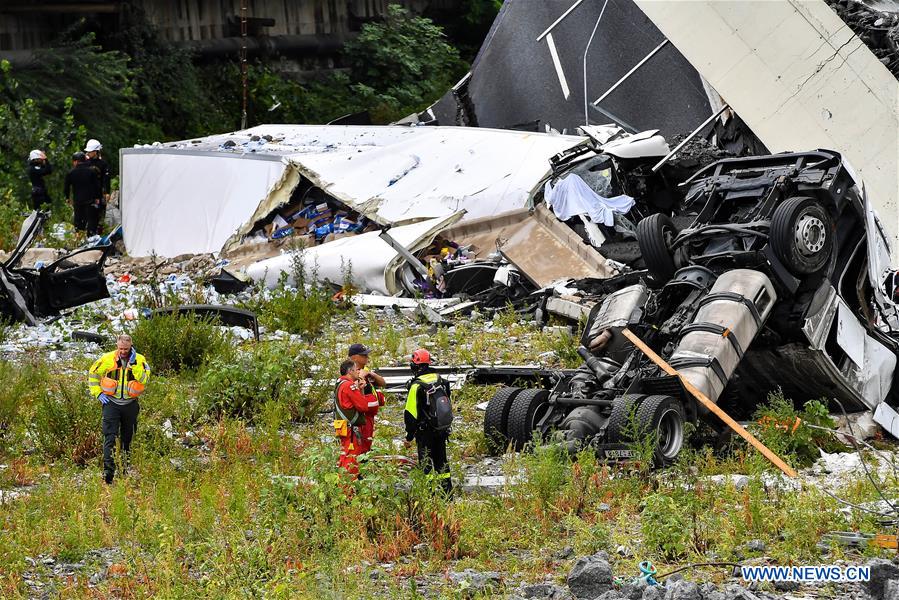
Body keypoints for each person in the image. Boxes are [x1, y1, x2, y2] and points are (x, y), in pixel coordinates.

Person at [88, 335, 151, 484]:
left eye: (126, 349)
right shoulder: (107, 359)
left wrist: (134, 364)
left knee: (127, 438)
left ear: (131, 346)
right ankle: (108, 473)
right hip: (111, 403)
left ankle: (124, 470)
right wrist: (98, 393)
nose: (123, 351)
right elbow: (93, 374)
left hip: (130, 405)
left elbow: (144, 380)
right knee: (109, 437)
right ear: (117, 345)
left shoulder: (140, 360)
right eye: (120, 348)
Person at [404, 348, 453, 494]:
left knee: (426, 464)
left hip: (424, 432)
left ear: (415, 365)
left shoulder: (416, 386)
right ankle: (447, 494)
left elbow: (410, 414)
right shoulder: (441, 381)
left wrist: (409, 436)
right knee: (442, 462)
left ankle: (430, 496)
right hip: (441, 429)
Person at [334, 359, 382, 477]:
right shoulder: (349, 385)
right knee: (351, 458)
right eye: (356, 370)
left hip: (343, 426)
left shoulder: (339, 383)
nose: (358, 372)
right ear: (350, 371)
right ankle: (348, 490)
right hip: (352, 429)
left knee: (345, 455)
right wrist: (362, 391)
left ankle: (343, 486)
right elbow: (363, 406)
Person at [348, 343, 386, 454]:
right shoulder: (350, 372)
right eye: (364, 355)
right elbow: (351, 389)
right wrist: (361, 376)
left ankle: (365, 461)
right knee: (360, 444)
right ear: (354, 357)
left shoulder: (366, 370)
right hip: (360, 416)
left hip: (369, 416)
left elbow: (383, 383)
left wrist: (370, 374)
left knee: (367, 443)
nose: (367, 358)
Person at [64, 151, 102, 236]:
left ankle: (79, 237)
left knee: (79, 220)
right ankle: (91, 237)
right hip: (90, 200)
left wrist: (67, 198)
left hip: (78, 201)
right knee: (91, 219)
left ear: (75, 161)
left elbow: (66, 187)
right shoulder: (91, 171)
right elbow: (97, 186)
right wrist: (97, 198)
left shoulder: (71, 173)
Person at [85, 139, 111, 231]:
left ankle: (98, 231)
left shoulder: (103, 164)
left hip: (99, 192)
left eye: (90, 151)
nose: (88, 153)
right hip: (87, 193)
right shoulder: (85, 163)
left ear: (96, 152)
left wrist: (107, 192)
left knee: (100, 213)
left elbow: (106, 179)